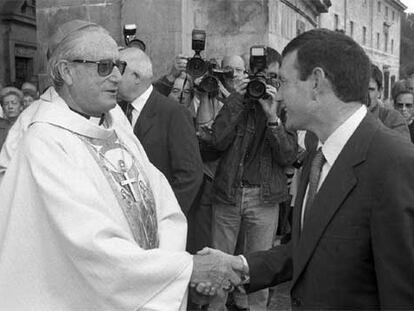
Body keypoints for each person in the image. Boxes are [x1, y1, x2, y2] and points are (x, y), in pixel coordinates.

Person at [0, 19, 242, 311]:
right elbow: (88, 243)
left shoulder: (116, 121)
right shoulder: (43, 141)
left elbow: (160, 196)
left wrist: (169, 268)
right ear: (67, 71)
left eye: (119, 66)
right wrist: (182, 270)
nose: (116, 77)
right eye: (104, 67)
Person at [200, 28, 414, 310]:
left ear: (316, 83)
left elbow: (402, 293)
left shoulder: (395, 163)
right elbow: (308, 246)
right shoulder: (319, 153)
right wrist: (238, 264)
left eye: (284, 81)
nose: (278, 93)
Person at [208, 47, 298, 311]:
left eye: (271, 77)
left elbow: (288, 155)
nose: (263, 83)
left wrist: (272, 117)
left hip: (264, 196)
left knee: (260, 269)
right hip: (229, 192)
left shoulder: (284, 110)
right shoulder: (237, 103)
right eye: (258, 76)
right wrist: (238, 100)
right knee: (219, 264)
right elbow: (217, 140)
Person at [118, 47, 203, 215]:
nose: (112, 78)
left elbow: (190, 176)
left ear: (136, 77)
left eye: (118, 71)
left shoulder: (174, 113)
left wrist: (165, 216)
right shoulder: (116, 111)